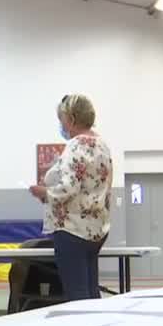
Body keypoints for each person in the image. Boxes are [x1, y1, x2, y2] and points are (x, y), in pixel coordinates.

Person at [29, 94, 113, 300]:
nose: (61, 124)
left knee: (77, 294)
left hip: (72, 229)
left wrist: (44, 193)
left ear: (72, 119)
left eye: (62, 119)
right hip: (97, 227)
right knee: (92, 291)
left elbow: (68, 188)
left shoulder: (74, 146)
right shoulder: (102, 145)